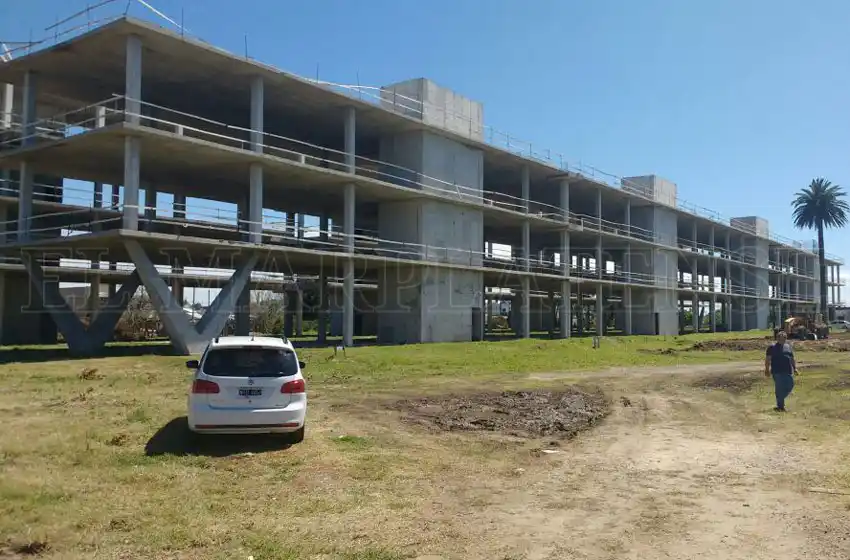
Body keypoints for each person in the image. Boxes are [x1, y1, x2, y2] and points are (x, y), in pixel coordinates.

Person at [764, 331, 798, 412]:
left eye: (784, 338)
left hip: (788, 371)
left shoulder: (788, 346)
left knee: (790, 385)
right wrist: (767, 369)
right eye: (781, 338)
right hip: (777, 371)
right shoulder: (772, 348)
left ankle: (780, 399)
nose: (783, 340)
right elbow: (768, 359)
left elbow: (792, 359)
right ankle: (780, 407)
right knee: (779, 389)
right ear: (777, 338)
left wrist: (795, 368)